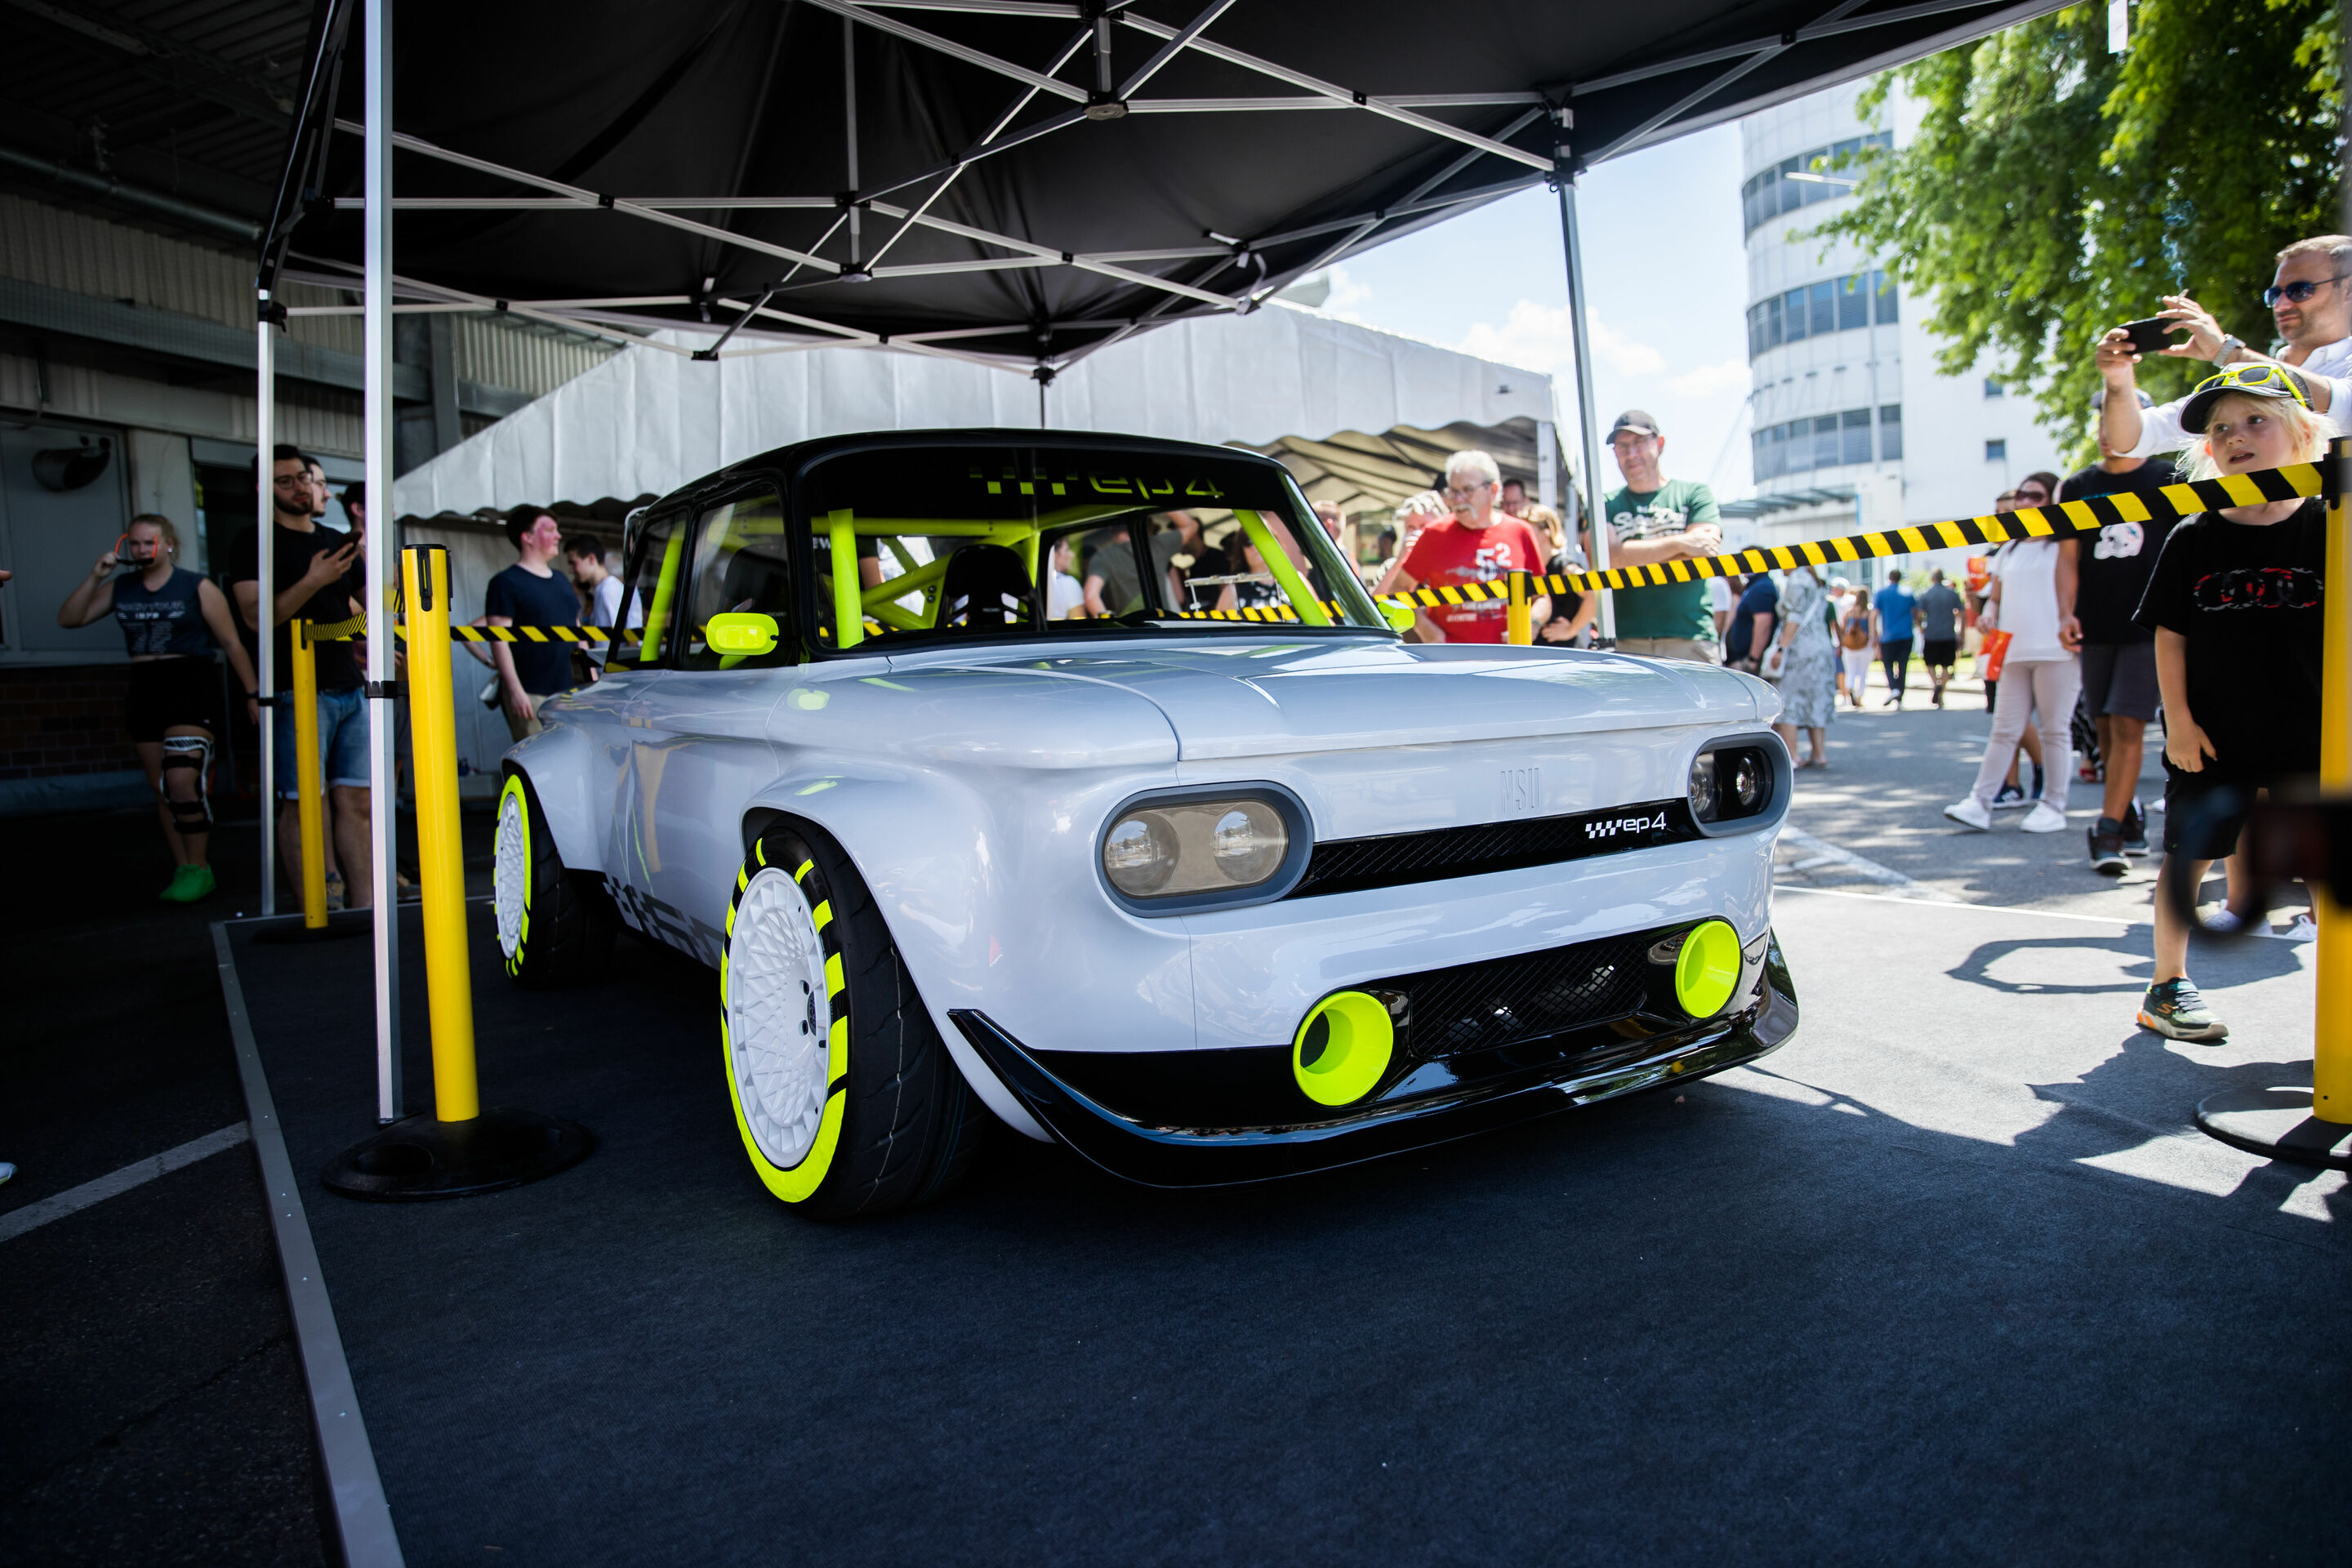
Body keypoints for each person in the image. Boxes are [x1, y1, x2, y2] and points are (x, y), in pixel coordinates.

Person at [2130, 366, 2332, 1040]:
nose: (2235, 436)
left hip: (2313, 732)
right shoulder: (2197, 535)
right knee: (2192, 852)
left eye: (2256, 420)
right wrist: (2179, 723)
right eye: (2220, 429)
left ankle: (2342, 1011)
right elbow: (2170, 637)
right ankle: (2167, 983)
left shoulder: (2332, 525)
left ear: (2303, 434)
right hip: (2214, 736)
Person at [56, 514, 260, 902]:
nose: (141, 550)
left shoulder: (195, 586)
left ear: (168, 544)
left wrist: (253, 695)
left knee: (182, 781)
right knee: (162, 788)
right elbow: (70, 619)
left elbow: (233, 643)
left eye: (149, 543)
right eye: (134, 544)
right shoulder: (123, 587)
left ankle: (200, 867)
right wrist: (96, 576)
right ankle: (184, 867)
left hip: (190, 681)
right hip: (145, 686)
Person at [229, 445, 372, 909]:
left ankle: (367, 906)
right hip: (295, 689)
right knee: (302, 801)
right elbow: (254, 618)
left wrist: (376, 638)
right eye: (285, 481)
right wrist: (313, 579)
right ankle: (318, 901)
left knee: (357, 802)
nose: (299, 487)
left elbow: (361, 608)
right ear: (262, 489)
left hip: (350, 684)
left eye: (303, 478)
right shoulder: (253, 541)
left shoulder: (335, 539)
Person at [2063, 389, 2182, 873]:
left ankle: (2108, 830)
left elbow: (2183, 548)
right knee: (2106, 726)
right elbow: (2067, 558)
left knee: (2130, 721)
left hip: (2148, 624)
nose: (2110, 429)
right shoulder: (2078, 485)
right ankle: (2129, 815)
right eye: (2103, 419)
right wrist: (2065, 612)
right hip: (2095, 622)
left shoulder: (2168, 477)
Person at [2097, 235, 2352, 458]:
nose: (2282, 304)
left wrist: (2227, 352)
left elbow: (2343, 408)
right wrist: (2118, 380)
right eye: (2275, 295)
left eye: (2300, 290)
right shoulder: (2246, 374)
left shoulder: (2249, 368)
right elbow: (2132, 439)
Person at [1943, 484, 2082, 835]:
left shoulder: (2063, 546)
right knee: (2004, 730)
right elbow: (1995, 597)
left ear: (2053, 500)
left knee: (2054, 731)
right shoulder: (2010, 549)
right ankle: (1980, 802)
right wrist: (1989, 613)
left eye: (2035, 496)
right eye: (2022, 495)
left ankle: (2053, 805)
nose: (2025, 502)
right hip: (2013, 652)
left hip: (2056, 651)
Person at [1582, 412, 1722, 662]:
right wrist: (1681, 544)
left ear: (1660, 444)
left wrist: (1629, 556)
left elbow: (1705, 551)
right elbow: (1606, 560)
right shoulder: (1603, 503)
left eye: (1638, 443)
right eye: (1622, 446)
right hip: (1626, 641)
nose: (1631, 454)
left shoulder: (1694, 494)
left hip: (1690, 637)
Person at [1375, 451, 1549, 644]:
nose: (1458, 500)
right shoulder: (1435, 533)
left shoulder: (1520, 532)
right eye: (1454, 492)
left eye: (1467, 490)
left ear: (1492, 489)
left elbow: (1542, 598)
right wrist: (1426, 629)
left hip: (1508, 659)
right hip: (1450, 662)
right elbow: (1398, 589)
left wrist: (1532, 624)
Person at [472, 506, 581, 741]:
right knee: (538, 763)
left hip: (568, 692)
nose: (558, 536)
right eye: (550, 530)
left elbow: (578, 631)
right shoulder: (506, 583)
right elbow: (498, 639)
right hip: (531, 694)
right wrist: (515, 691)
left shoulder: (562, 580)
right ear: (527, 537)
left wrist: (591, 679)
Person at [1770, 563, 1835, 767]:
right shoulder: (1816, 581)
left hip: (1800, 648)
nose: (1780, 568)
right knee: (1817, 698)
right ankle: (1819, 753)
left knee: (1790, 698)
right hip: (1821, 646)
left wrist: (1781, 649)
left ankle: (1793, 755)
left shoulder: (1797, 580)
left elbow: (1794, 617)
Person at [564, 534, 623, 670]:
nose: (571, 570)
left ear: (591, 559)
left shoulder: (609, 590)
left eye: (574, 563)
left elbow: (628, 637)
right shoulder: (601, 589)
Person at [1914, 568, 1964, 708]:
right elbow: (1962, 613)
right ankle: (1941, 692)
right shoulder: (1952, 594)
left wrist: (1921, 626)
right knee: (1946, 665)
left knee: (1930, 663)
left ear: (1932, 579)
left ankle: (1936, 683)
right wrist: (1961, 632)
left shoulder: (1926, 594)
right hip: (1948, 633)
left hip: (1931, 633)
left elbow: (1919, 614)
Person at [1873, 572, 1917, 706]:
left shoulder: (1882, 593)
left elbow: (1874, 615)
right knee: (1903, 665)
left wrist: (1873, 634)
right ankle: (1899, 693)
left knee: (1888, 665)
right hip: (1906, 634)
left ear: (1889, 578)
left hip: (1889, 636)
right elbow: (1916, 613)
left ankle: (1894, 689)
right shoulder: (1908, 593)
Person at [1725, 571, 1777, 674]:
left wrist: (1753, 660)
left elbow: (1763, 624)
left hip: (1747, 661)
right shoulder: (1756, 585)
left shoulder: (1762, 587)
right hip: (1740, 658)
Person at [1835, 580, 1873, 707]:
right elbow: (1873, 629)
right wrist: (1875, 642)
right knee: (1862, 672)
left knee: (1850, 671)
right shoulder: (1868, 612)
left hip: (1850, 646)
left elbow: (1842, 629)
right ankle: (1859, 696)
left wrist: (1841, 643)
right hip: (1865, 645)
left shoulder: (1849, 611)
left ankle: (1849, 690)